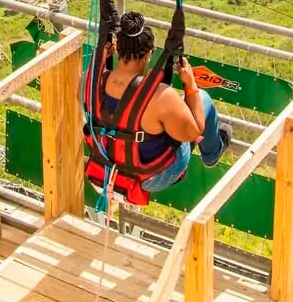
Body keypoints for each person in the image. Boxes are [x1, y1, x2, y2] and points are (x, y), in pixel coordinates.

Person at [97, 11, 231, 192]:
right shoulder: (159, 97)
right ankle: (212, 154)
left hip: (109, 166)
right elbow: (194, 132)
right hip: (152, 176)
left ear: (116, 48)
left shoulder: (92, 82)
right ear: (149, 54)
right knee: (203, 99)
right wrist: (190, 85)